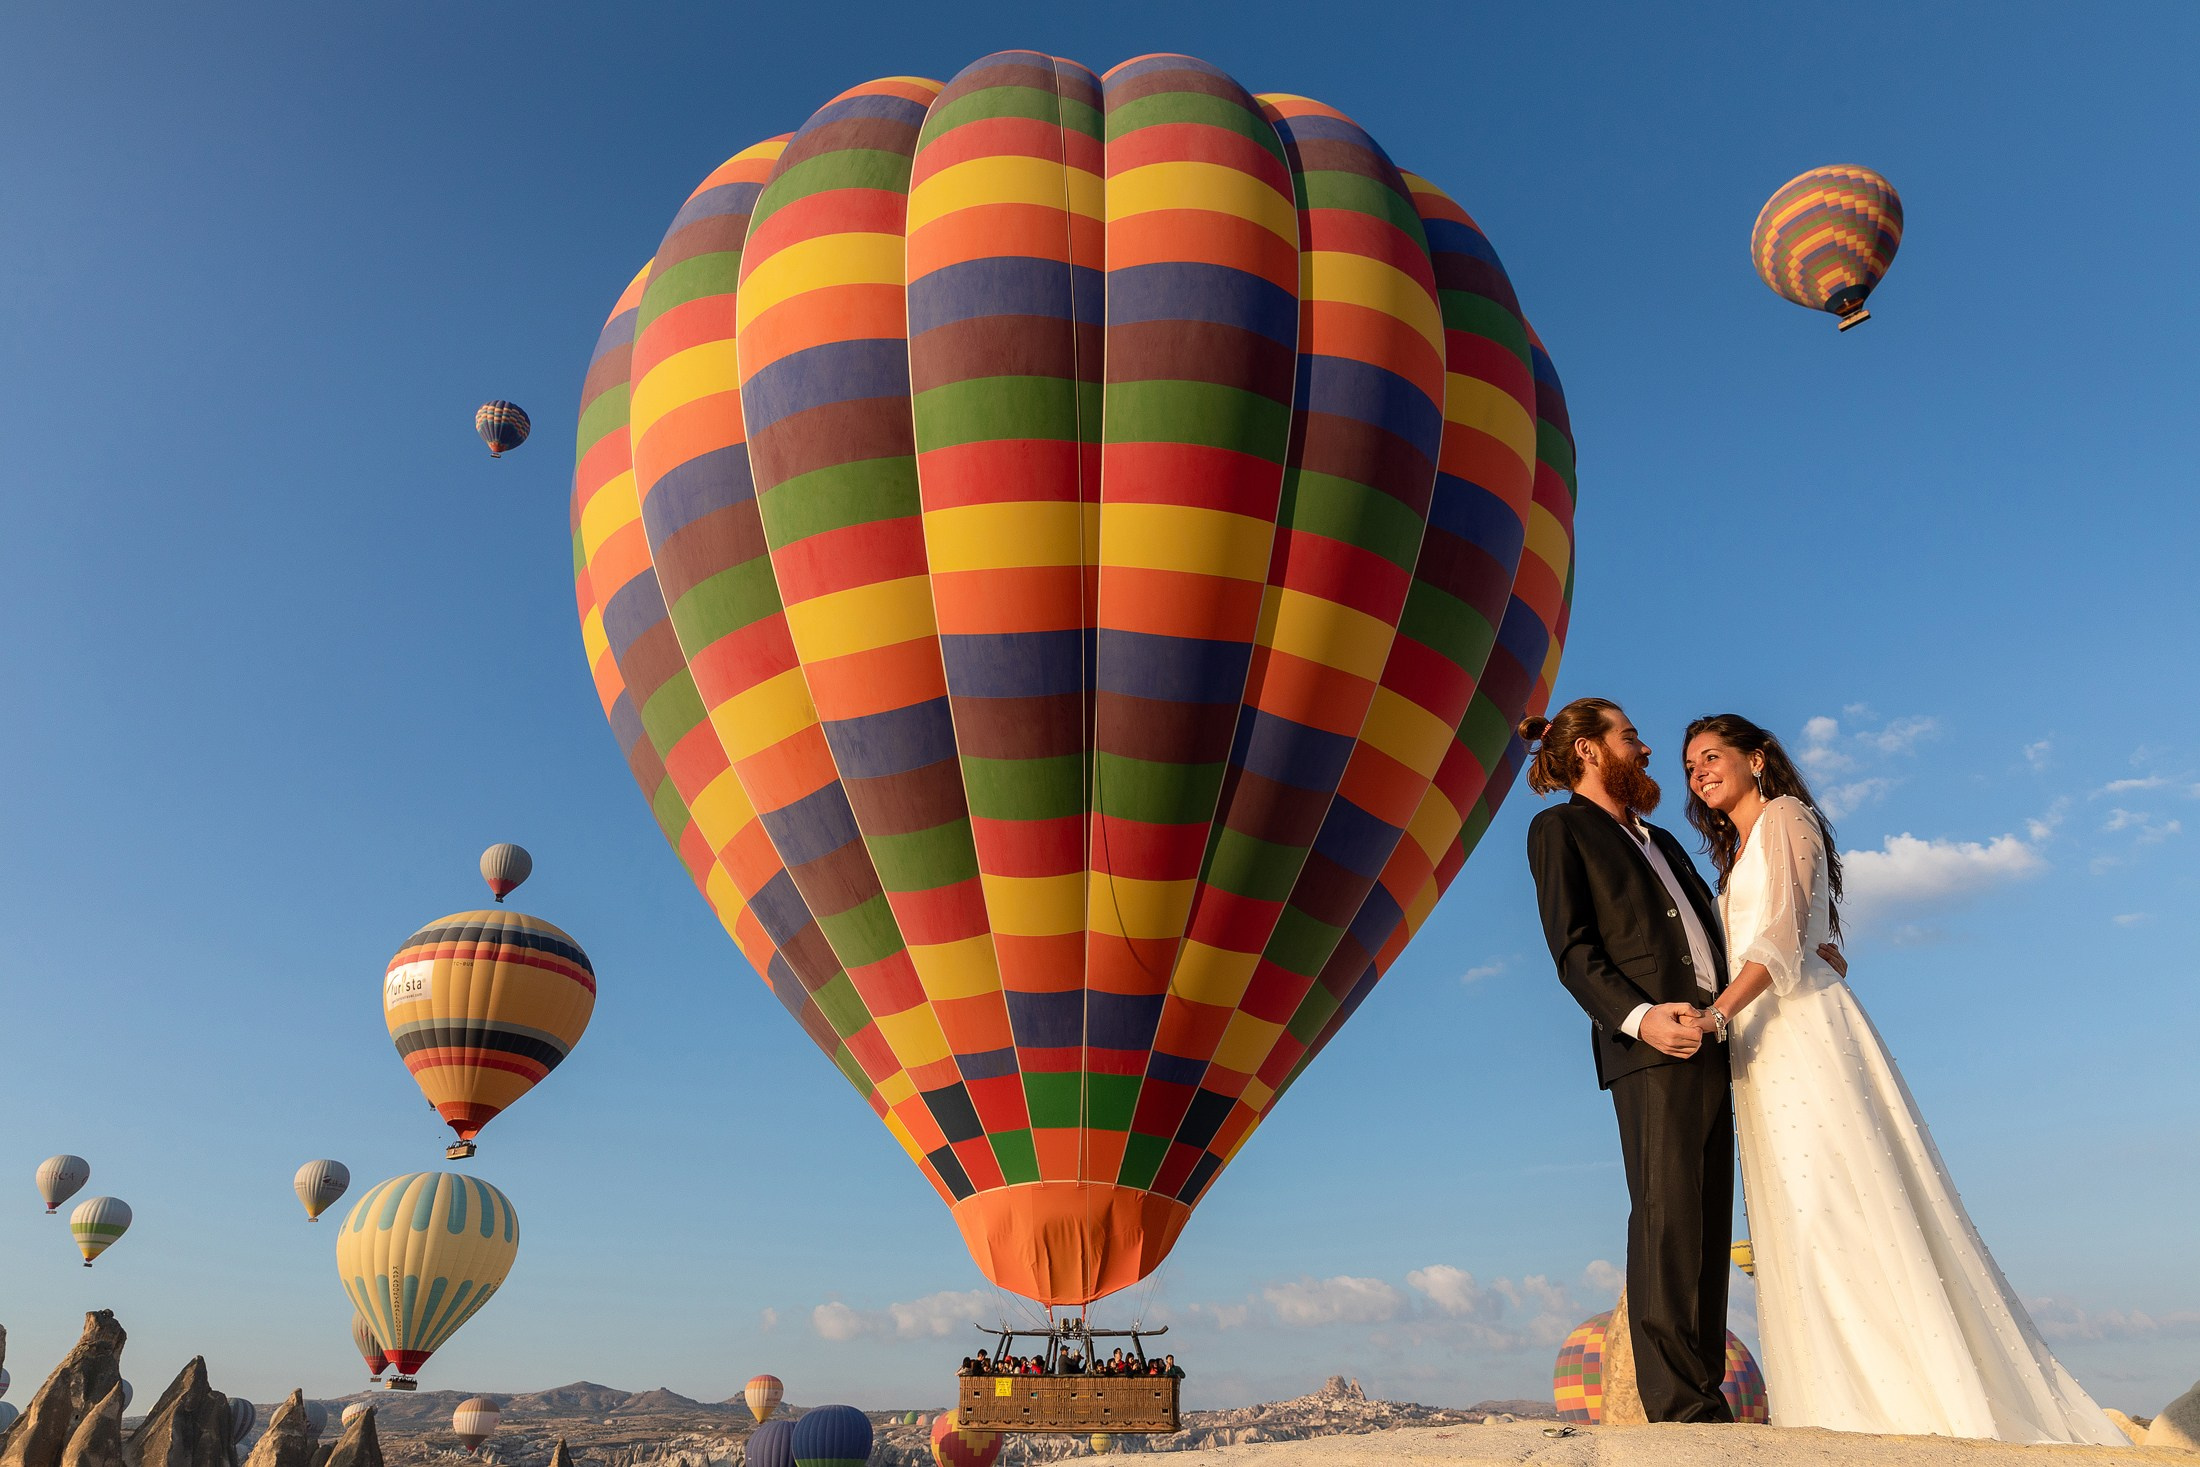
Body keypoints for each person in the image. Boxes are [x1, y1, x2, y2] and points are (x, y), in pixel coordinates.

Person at [1681, 715, 2123, 1444]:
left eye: (1712, 756)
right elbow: (1802, 937)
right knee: (1798, 1216)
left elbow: (1785, 934)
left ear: (1758, 758)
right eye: (1691, 764)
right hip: (1765, 1044)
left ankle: (1901, 1403)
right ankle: (1837, 1403)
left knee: (1837, 1203)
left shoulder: (1789, 815)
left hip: (1799, 1034)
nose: (1699, 772)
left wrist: (1715, 1015)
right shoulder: (1742, 850)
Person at [1523, 698, 1734, 1423]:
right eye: (1631, 736)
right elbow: (1573, 949)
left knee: (1707, 1222)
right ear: (1587, 749)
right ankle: (1678, 1406)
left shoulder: (1665, 841)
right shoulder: (1559, 830)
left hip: (1712, 1038)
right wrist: (1643, 1020)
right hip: (1650, 1048)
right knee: (1667, 1218)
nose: (1646, 750)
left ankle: (1703, 1387)